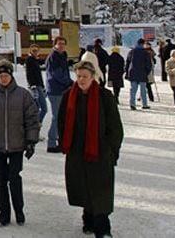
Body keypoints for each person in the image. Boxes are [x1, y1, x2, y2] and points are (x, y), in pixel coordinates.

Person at [57, 60, 123, 238]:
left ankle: (103, 227)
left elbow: (115, 127)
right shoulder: (68, 95)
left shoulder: (104, 96)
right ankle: (88, 218)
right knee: (83, 187)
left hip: (99, 151)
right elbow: (61, 122)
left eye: (85, 77)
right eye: (78, 76)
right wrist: (65, 142)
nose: (81, 80)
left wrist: (111, 150)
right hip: (77, 152)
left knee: (101, 190)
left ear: (93, 77)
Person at [0, 59, 40, 228]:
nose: (3, 79)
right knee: (1, 181)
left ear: (11, 76)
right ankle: (4, 214)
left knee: (14, 178)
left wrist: (31, 141)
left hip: (17, 145)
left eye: (6, 76)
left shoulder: (23, 95)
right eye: (0, 76)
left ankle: (19, 210)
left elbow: (32, 119)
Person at [45, 36, 72, 153]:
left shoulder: (62, 56)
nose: (61, 45)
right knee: (57, 117)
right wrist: (69, 83)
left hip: (61, 90)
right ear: (55, 44)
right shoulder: (54, 57)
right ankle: (51, 143)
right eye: (59, 43)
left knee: (61, 117)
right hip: (55, 90)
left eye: (63, 43)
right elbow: (57, 74)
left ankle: (59, 139)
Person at [24, 44, 48, 129]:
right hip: (35, 87)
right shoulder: (30, 60)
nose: (35, 52)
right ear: (30, 51)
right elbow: (29, 74)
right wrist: (32, 85)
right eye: (33, 50)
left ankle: (34, 129)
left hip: (39, 86)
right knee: (44, 108)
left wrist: (43, 86)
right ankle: (36, 127)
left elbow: (39, 75)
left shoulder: (34, 60)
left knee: (36, 108)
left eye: (36, 50)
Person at [125, 39, 152, 110]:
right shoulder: (145, 53)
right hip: (143, 73)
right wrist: (147, 72)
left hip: (133, 73)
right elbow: (149, 64)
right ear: (143, 44)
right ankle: (144, 104)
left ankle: (132, 104)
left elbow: (127, 62)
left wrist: (127, 72)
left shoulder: (132, 52)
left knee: (133, 90)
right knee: (143, 90)